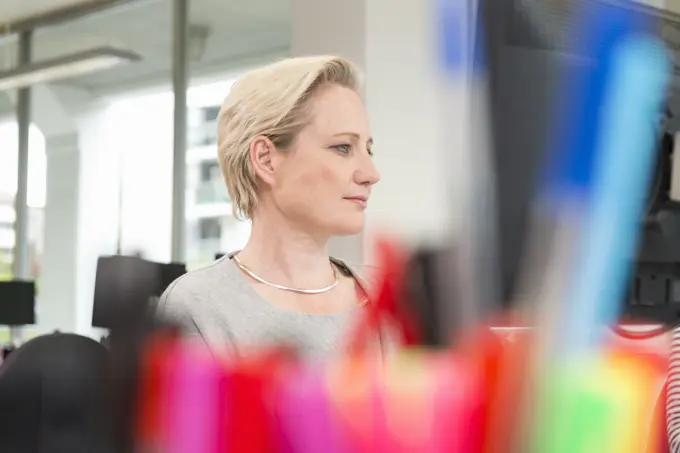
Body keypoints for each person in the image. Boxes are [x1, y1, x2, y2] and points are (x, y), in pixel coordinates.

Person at [157, 56, 384, 358]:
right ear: (266, 159)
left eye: (368, 150)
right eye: (343, 147)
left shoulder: (386, 297)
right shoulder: (199, 306)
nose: (371, 174)